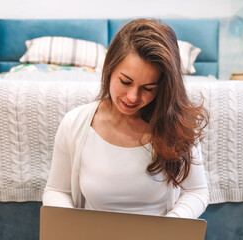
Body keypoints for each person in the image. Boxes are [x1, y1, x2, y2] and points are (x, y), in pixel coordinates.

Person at [43, 18, 209, 219]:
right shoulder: (75, 123)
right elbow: (57, 191)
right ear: (109, 70)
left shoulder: (177, 125)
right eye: (125, 81)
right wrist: (70, 224)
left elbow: (197, 191)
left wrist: (172, 223)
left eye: (148, 88)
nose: (133, 97)